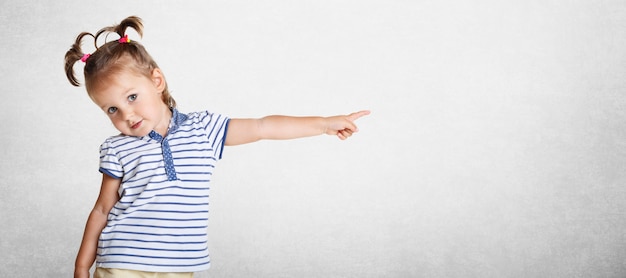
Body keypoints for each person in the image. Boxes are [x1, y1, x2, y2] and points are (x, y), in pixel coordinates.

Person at [64, 16, 369, 278]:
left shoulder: (203, 129)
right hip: (123, 261)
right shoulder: (117, 149)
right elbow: (103, 209)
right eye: (112, 110)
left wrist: (323, 123)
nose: (126, 115)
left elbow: (263, 127)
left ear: (156, 81)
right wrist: (81, 267)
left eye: (131, 97)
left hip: (180, 265)